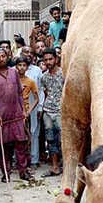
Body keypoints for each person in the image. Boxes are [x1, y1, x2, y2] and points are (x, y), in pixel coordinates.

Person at [0, 48, 30, 182]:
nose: (1, 59)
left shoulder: (14, 72)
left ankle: (23, 171)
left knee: (20, 144)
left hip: (16, 114)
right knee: (2, 146)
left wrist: (23, 109)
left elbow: (19, 92)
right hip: (2, 116)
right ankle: (6, 172)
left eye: (3, 56)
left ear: (7, 57)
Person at [39, 48, 64, 177]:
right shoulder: (43, 77)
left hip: (62, 111)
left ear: (56, 59)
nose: (48, 62)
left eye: (50, 59)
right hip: (48, 111)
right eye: (46, 60)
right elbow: (45, 94)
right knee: (50, 139)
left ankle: (66, 166)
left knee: (63, 140)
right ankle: (54, 167)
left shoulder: (64, 74)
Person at [15, 56, 39, 170]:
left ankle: (28, 163)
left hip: (26, 114)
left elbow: (37, 99)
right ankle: (18, 162)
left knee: (27, 138)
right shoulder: (13, 80)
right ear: (16, 67)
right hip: (15, 114)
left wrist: (29, 111)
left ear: (27, 67)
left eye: (24, 65)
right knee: (16, 139)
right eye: (19, 65)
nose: (22, 67)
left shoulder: (30, 81)